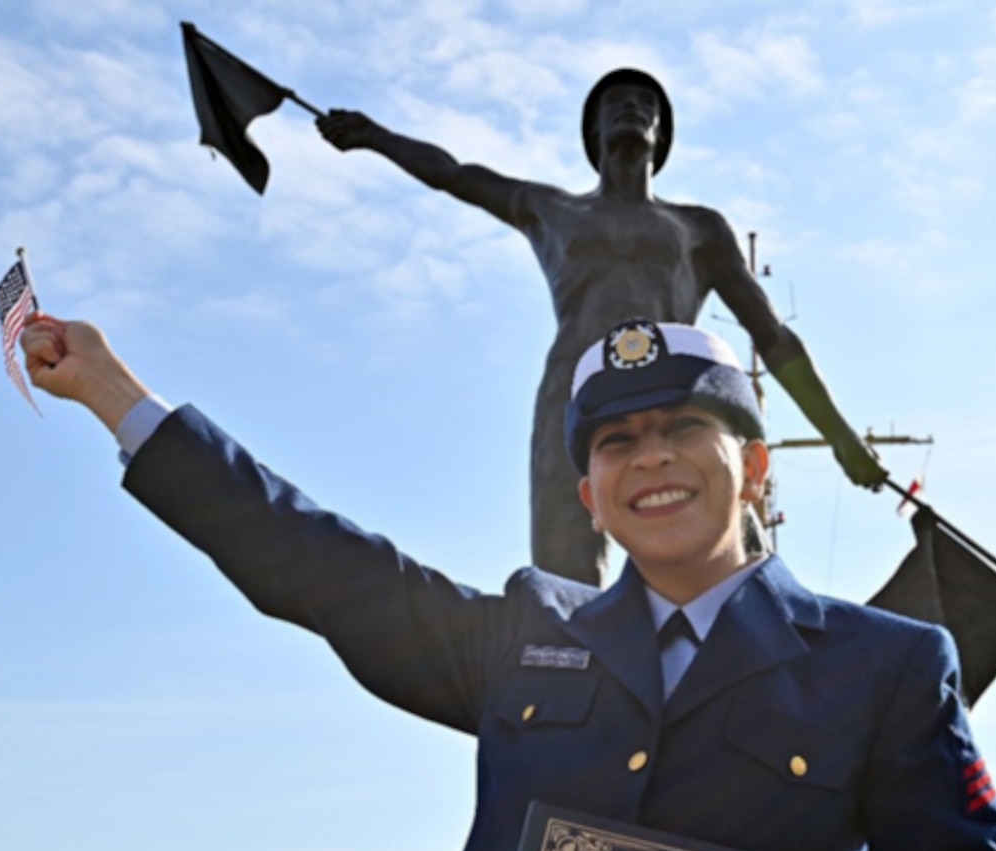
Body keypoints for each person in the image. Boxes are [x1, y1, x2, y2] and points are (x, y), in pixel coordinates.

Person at [20, 313, 996, 851]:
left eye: (680, 428)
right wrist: (119, 396)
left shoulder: (883, 665)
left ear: (749, 468)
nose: (647, 456)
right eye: (614, 442)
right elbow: (313, 562)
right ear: (588, 497)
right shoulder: (526, 631)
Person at [317, 69, 890, 586]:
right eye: (616, 102)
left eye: (646, 103)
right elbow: (454, 174)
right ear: (593, 130)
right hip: (576, 394)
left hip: (676, 394)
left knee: (736, 567)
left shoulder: (699, 228)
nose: (632, 108)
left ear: (662, 133)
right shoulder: (550, 209)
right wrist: (375, 136)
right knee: (566, 580)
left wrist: (841, 436)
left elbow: (773, 336)